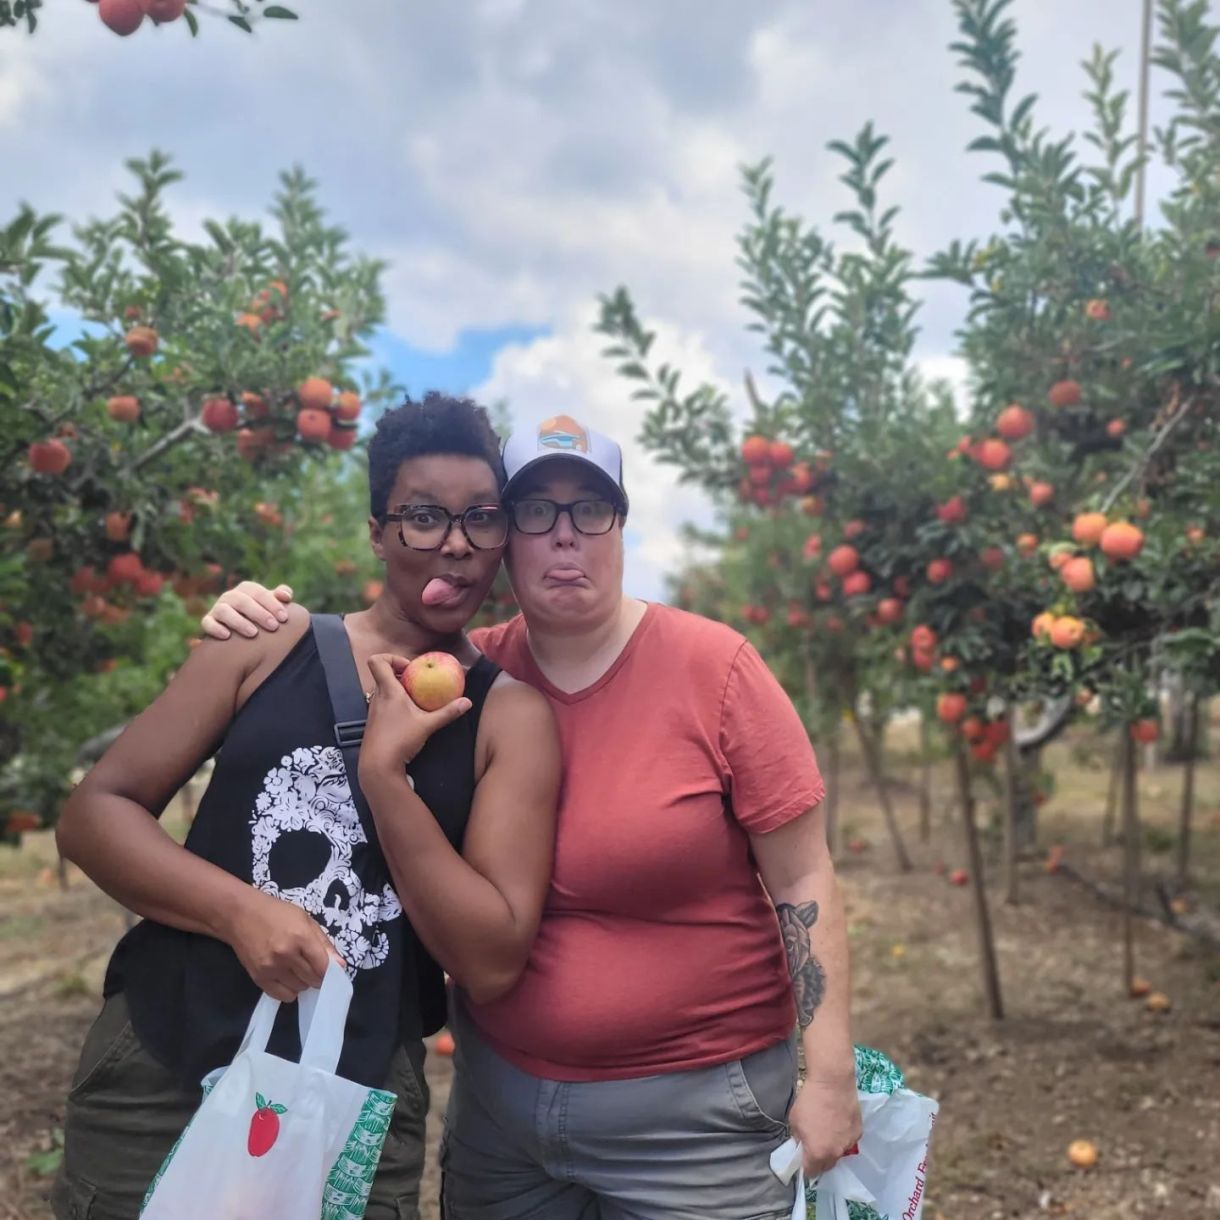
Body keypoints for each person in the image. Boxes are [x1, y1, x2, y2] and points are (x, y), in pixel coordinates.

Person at [203, 413, 862, 1219]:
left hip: (698, 1124)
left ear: (620, 529)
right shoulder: (456, 677)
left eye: (590, 511)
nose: (564, 537)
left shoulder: (715, 671)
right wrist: (254, 611)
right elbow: (339, 661)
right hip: (503, 1119)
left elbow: (802, 873)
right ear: (500, 538)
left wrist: (829, 1074)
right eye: (534, 512)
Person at [52, 393, 560, 1220]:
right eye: (423, 516)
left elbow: (493, 957)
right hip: (163, 1056)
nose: (457, 545)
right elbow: (97, 813)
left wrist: (386, 777)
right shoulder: (266, 642)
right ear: (377, 529)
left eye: (482, 518)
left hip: (353, 1091)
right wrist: (240, 914)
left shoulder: (510, 718)